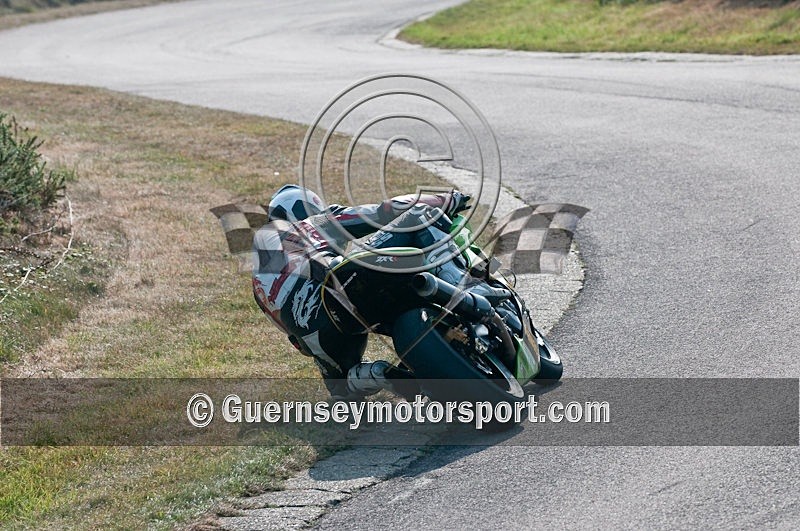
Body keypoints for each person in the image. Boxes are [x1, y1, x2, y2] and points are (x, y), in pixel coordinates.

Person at [252, 184, 471, 399]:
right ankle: (465, 286)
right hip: (338, 285)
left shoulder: (258, 284)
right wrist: (447, 200)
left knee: (341, 389)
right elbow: (385, 211)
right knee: (419, 215)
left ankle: (375, 374)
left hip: (314, 334)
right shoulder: (313, 223)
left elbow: (294, 338)